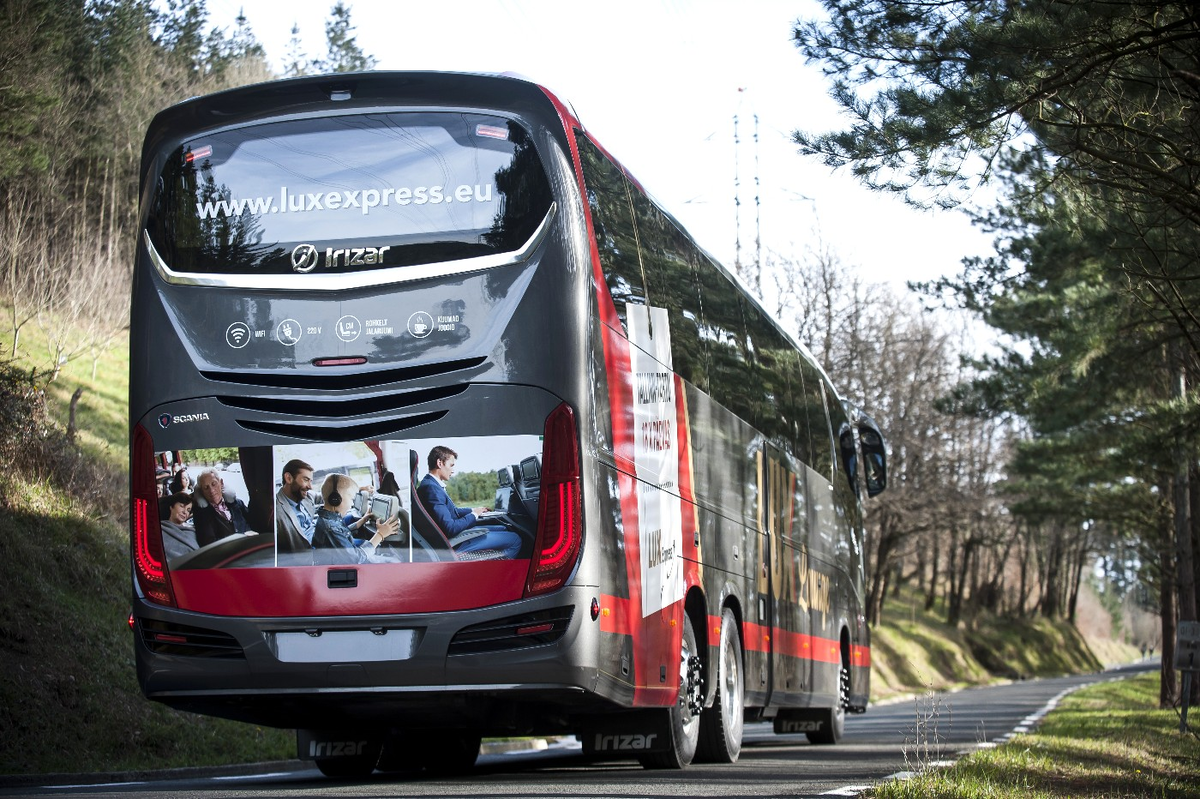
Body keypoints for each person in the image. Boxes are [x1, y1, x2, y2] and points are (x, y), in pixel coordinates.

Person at [417, 445, 522, 559]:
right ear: (440, 463)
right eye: (451, 465)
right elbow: (450, 528)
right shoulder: (432, 489)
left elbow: (453, 511)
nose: (453, 470)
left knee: (503, 528)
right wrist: (474, 515)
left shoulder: (430, 484)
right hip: (455, 542)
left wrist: (474, 510)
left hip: (454, 537)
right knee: (515, 539)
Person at [312, 473, 399, 565]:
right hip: (345, 569)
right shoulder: (330, 528)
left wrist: (361, 521)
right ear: (336, 499)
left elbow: (342, 533)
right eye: (351, 499)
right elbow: (357, 559)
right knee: (394, 561)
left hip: (342, 561)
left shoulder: (329, 520)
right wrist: (380, 535)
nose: (351, 505)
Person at [193, 468, 252, 547]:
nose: (211, 490)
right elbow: (209, 542)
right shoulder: (202, 515)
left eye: (214, 484)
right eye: (206, 487)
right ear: (202, 491)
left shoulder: (238, 503)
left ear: (221, 483)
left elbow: (253, 523)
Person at [275, 458, 317, 564]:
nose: (310, 487)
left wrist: (356, 490)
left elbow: (326, 495)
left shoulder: (307, 496)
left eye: (310, 481)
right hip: (306, 562)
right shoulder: (276, 510)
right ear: (289, 478)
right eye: (306, 480)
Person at [159, 492, 199, 560]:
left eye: (188, 510)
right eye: (182, 506)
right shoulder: (161, 528)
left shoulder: (192, 531)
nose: (185, 512)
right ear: (171, 507)